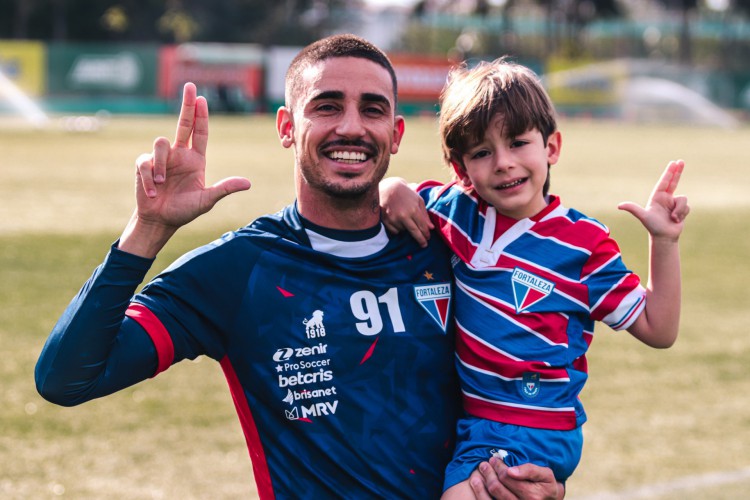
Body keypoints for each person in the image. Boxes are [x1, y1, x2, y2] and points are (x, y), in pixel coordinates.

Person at [35, 36, 562, 499]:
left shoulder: (448, 245)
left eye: (372, 110)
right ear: (287, 126)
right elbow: (66, 379)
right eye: (327, 107)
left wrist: (535, 480)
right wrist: (146, 231)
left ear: (396, 134)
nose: (352, 127)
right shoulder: (240, 269)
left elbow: (532, 379)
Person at [380, 58, 690, 498]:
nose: (503, 163)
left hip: (536, 424)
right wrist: (389, 188)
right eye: (482, 152)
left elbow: (659, 329)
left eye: (518, 143)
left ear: (552, 147)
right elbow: (401, 197)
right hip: (474, 419)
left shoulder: (583, 245)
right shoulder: (453, 209)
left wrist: (665, 242)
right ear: (461, 168)